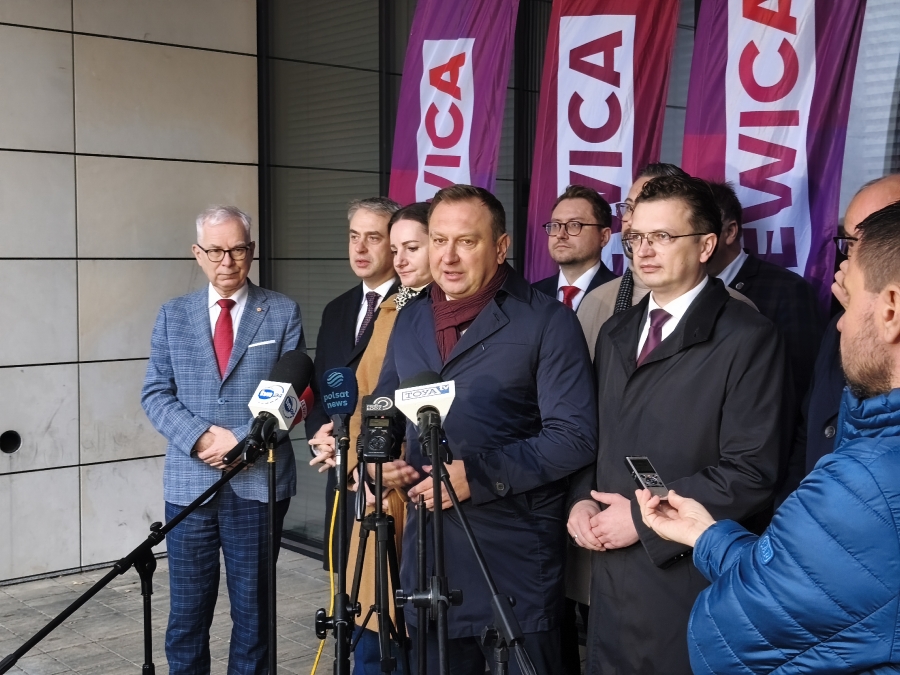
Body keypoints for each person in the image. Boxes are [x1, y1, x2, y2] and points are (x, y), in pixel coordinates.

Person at [637, 200, 900, 674]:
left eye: (848, 303)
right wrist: (705, 534)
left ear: (891, 310)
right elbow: (789, 577)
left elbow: (731, 635)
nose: (839, 323)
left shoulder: (864, 482)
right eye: (636, 236)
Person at [566, 175, 787, 674]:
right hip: (609, 569)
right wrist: (579, 498)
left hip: (686, 575)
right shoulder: (617, 330)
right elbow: (592, 435)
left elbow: (751, 470)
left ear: (706, 245)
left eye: (663, 236)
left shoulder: (748, 336)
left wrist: (641, 518)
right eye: (637, 237)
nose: (644, 251)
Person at [374, 185, 598, 674]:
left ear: (501, 247)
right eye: (438, 240)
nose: (448, 257)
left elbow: (574, 436)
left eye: (466, 242)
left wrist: (475, 476)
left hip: (512, 562)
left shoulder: (547, 321)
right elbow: (387, 407)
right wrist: (376, 462)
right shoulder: (411, 319)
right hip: (429, 560)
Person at [141, 206, 305, 674]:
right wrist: (200, 437)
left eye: (237, 249)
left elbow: (295, 394)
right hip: (190, 483)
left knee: (254, 616)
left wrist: (243, 440)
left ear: (251, 250)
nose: (227, 261)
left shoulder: (281, 310)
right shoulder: (173, 315)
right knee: (187, 614)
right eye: (215, 250)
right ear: (198, 253)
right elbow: (155, 393)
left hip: (258, 483)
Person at [310, 203, 431, 674]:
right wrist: (343, 447)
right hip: (368, 486)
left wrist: (387, 462)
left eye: (408, 246)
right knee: (367, 629)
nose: (398, 258)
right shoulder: (382, 311)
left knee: (413, 635)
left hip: (418, 490)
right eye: (354, 236)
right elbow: (356, 393)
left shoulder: (425, 306)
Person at [779, 174, 900, 498]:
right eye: (850, 241)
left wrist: (868, 321)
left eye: (874, 238)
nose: (854, 257)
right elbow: (809, 427)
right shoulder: (838, 326)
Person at [305, 197, 401, 567]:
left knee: (383, 584)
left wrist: (364, 458)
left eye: (373, 238)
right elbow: (320, 388)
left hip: (384, 479)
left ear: (395, 244)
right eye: (353, 236)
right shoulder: (336, 309)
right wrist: (322, 439)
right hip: (341, 474)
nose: (360, 248)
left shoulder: (414, 305)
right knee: (343, 583)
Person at [705, 180, 823, 414]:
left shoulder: (788, 291)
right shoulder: (675, 291)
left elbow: (801, 386)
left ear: (730, 231)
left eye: (698, 228)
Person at [531, 184, 617, 311]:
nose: (560, 235)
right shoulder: (532, 295)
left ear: (604, 236)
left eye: (574, 225)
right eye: (555, 225)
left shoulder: (622, 295)